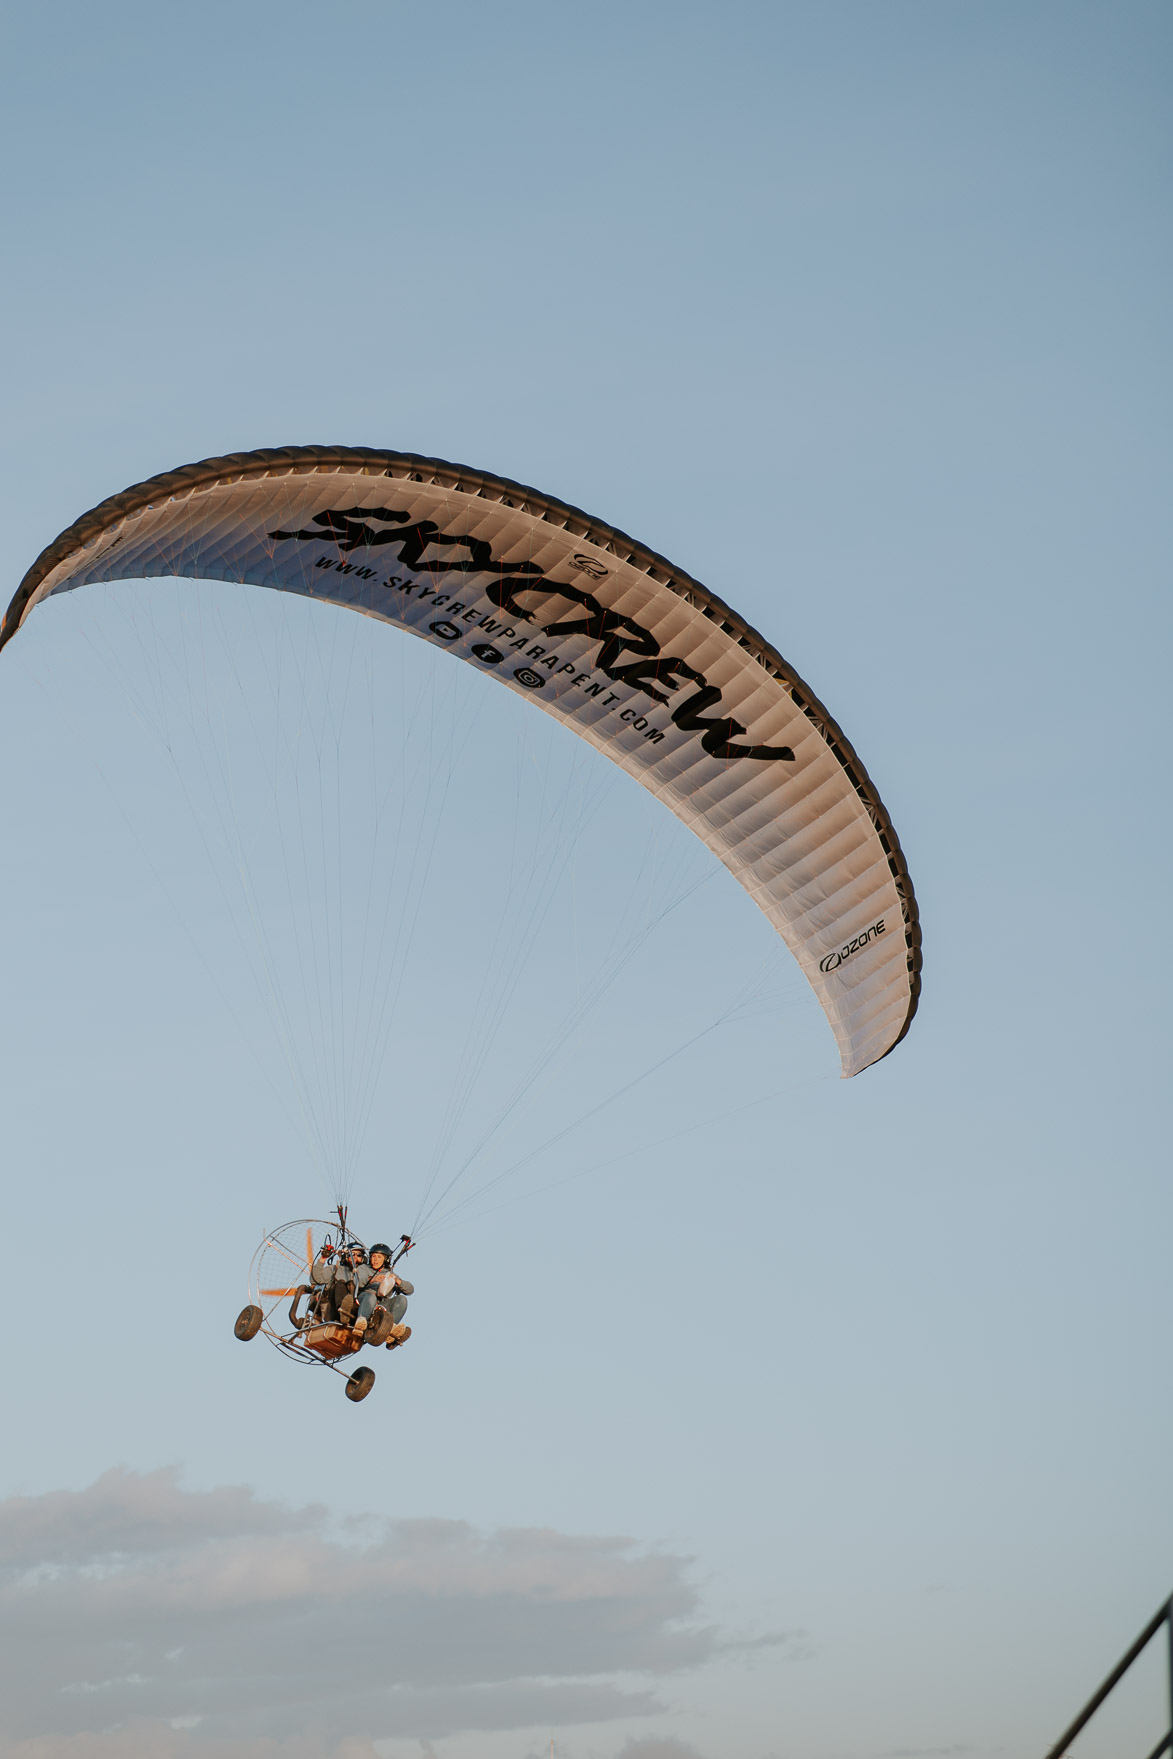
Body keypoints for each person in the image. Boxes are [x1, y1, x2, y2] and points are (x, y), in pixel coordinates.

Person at [354, 1242, 413, 1344]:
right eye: (373, 1256)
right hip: (364, 1299)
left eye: (379, 1257)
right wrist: (372, 1279)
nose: (375, 1259)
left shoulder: (389, 1273)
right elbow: (356, 1281)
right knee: (371, 1297)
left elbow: (410, 1290)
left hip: (380, 1305)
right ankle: (361, 1322)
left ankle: (391, 1328)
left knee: (402, 1299)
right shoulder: (363, 1268)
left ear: (385, 1259)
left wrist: (397, 1281)